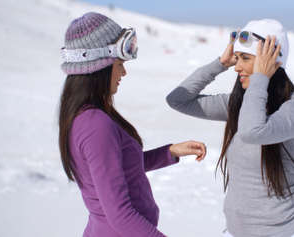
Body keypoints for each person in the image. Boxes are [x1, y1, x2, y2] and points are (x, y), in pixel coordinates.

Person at [58, 12, 207, 237]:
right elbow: (120, 216)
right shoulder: (96, 126)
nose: (124, 72)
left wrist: (169, 152)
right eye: (119, 64)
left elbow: (116, 169)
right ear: (99, 66)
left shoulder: (85, 117)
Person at [167, 19, 294, 237]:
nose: (237, 67)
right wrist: (220, 63)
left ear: (273, 59)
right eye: (236, 58)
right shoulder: (240, 105)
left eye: (245, 58)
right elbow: (178, 100)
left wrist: (260, 77)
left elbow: (252, 131)